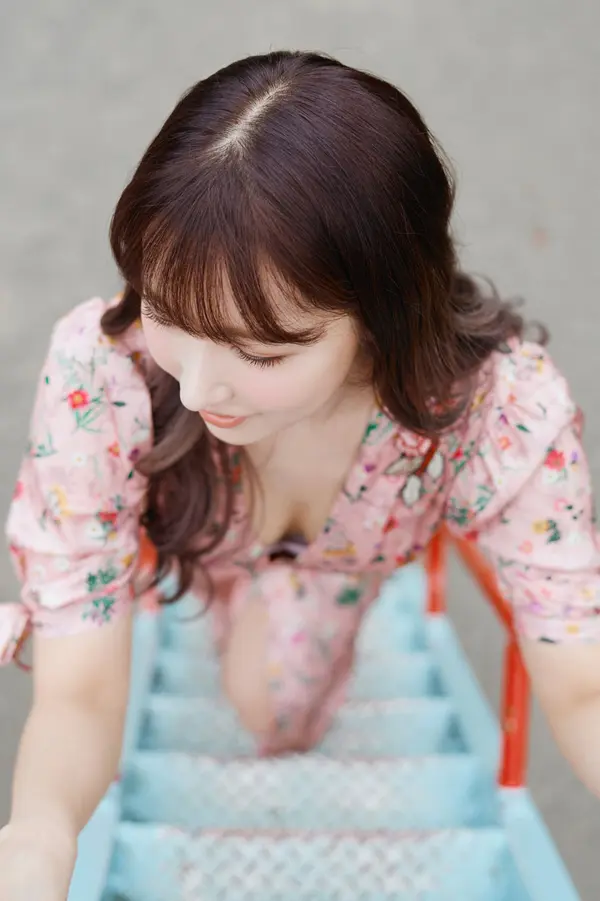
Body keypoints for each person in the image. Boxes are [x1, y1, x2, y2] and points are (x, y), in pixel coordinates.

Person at [1, 49, 599, 899]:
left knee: (280, 715)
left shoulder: (494, 409)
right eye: (168, 311)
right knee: (245, 681)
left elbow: (582, 682)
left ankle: (268, 600)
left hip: (343, 569)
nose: (197, 389)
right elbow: (80, 692)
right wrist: (36, 839)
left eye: (261, 352)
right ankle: (220, 589)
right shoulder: (106, 374)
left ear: (385, 312)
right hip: (212, 536)